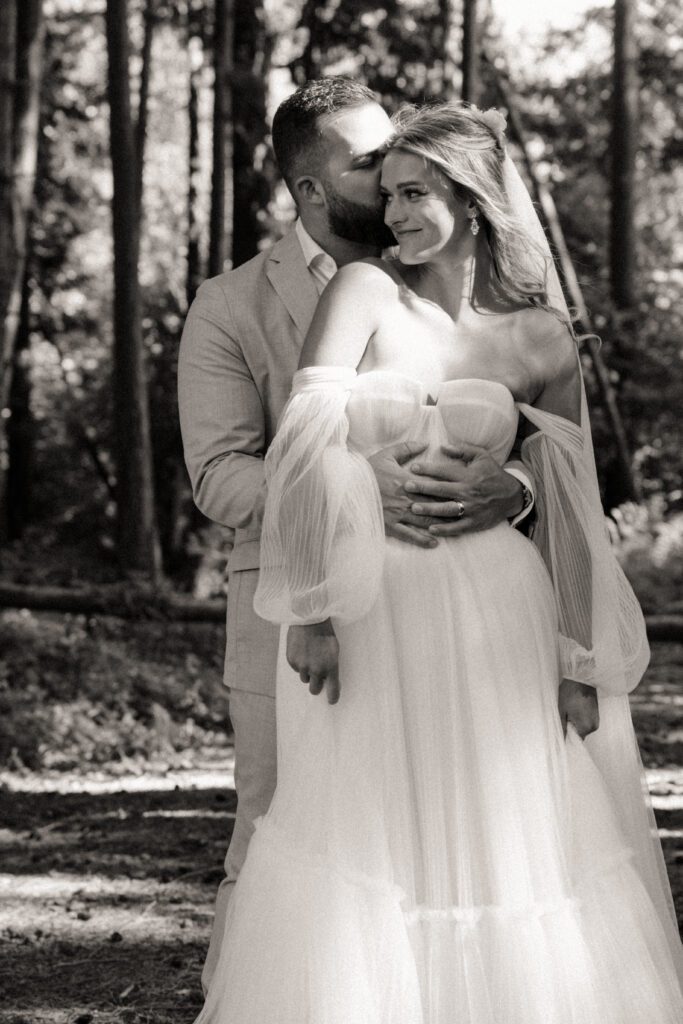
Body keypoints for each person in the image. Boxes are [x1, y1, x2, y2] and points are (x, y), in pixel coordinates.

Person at [194, 102, 683, 1023]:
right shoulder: (364, 293)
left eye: (414, 194)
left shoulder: (541, 336)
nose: (395, 215)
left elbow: (572, 503)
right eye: (388, 196)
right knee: (367, 836)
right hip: (373, 603)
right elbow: (301, 440)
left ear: (475, 197)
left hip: (502, 612)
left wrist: (578, 659)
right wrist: (308, 608)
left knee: (514, 840)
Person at [178, 79, 536, 993]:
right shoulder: (227, 305)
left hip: (452, 614)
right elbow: (220, 479)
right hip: (294, 601)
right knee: (278, 840)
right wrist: (346, 482)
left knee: (437, 839)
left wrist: (517, 489)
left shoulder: (447, 276)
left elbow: (533, 435)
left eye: (399, 159)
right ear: (306, 189)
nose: (391, 179)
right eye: (369, 162)